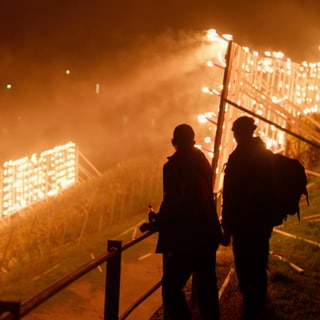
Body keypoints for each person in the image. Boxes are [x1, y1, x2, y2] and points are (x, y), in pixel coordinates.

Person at [141, 123, 223, 320]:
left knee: (170, 289)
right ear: (194, 141)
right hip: (207, 235)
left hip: (187, 238)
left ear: (173, 142)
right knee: (207, 291)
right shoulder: (203, 162)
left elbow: (173, 202)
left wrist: (156, 222)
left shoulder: (174, 166)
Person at [221, 116, 274, 320]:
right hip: (262, 220)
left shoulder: (238, 158)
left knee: (243, 263)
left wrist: (227, 226)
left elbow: (231, 194)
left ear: (239, 133)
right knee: (259, 262)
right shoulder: (265, 155)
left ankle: (249, 307)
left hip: (244, 222)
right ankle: (258, 304)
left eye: (235, 132)